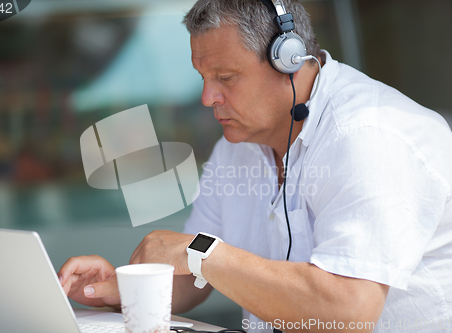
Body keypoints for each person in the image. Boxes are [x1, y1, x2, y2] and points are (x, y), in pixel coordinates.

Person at [58, 0, 452, 332]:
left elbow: (349, 313)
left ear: (289, 61)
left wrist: (200, 252)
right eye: (203, 77)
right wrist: (118, 288)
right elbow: (195, 277)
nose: (207, 97)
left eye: (225, 78)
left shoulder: (369, 136)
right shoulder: (238, 146)